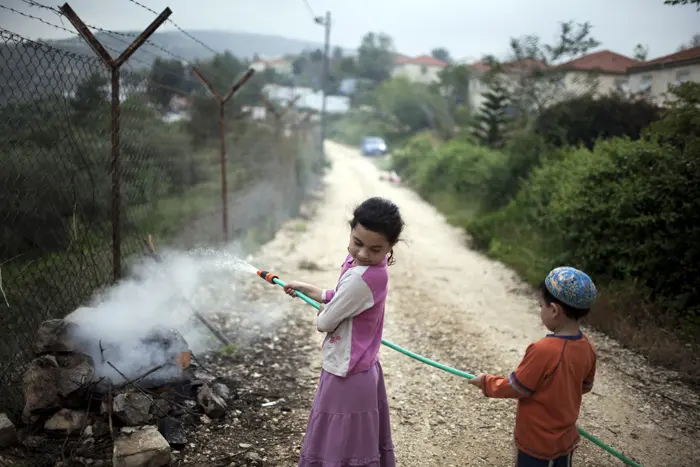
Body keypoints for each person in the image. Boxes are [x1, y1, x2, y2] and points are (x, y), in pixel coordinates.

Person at [283, 196, 404, 467]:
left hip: (347, 374)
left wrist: (324, 313)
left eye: (375, 249)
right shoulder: (370, 268)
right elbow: (344, 298)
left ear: (390, 246)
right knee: (349, 446)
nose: (362, 254)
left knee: (337, 447)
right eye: (358, 243)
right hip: (361, 370)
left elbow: (325, 322)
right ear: (351, 230)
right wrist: (310, 289)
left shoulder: (364, 277)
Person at [467, 266, 598, 467]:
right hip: (565, 440)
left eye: (541, 306)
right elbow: (585, 386)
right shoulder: (588, 347)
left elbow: (517, 387)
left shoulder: (543, 350)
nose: (540, 311)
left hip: (537, 443)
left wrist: (485, 382)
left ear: (554, 310)